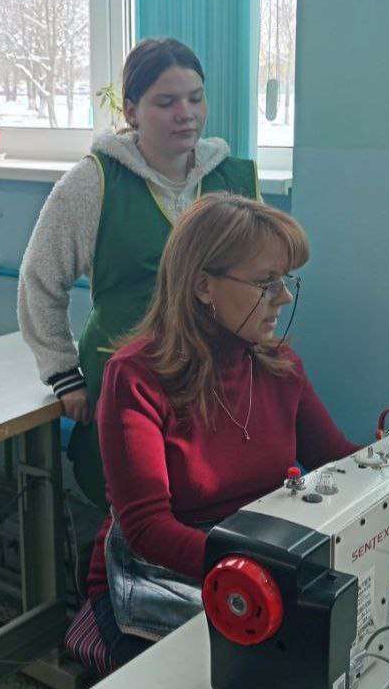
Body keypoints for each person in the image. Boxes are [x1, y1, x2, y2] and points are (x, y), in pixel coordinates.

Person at [63, 193, 357, 674]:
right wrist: (267, 570)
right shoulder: (135, 377)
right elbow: (147, 530)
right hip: (160, 570)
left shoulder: (279, 366)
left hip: (251, 559)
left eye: (286, 281)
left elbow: (340, 459)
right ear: (203, 286)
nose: (283, 297)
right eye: (265, 283)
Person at [18, 38, 260, 509]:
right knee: (137, 515)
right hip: (128, 386)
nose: (186, 113)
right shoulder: (95, 181)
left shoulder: (234, 180)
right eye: (166, 102)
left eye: (195, 98)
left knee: (213, 505)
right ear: (131, 111)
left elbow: (260, 282)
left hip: (216, 380)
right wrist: (62, 371)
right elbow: (39, 279)